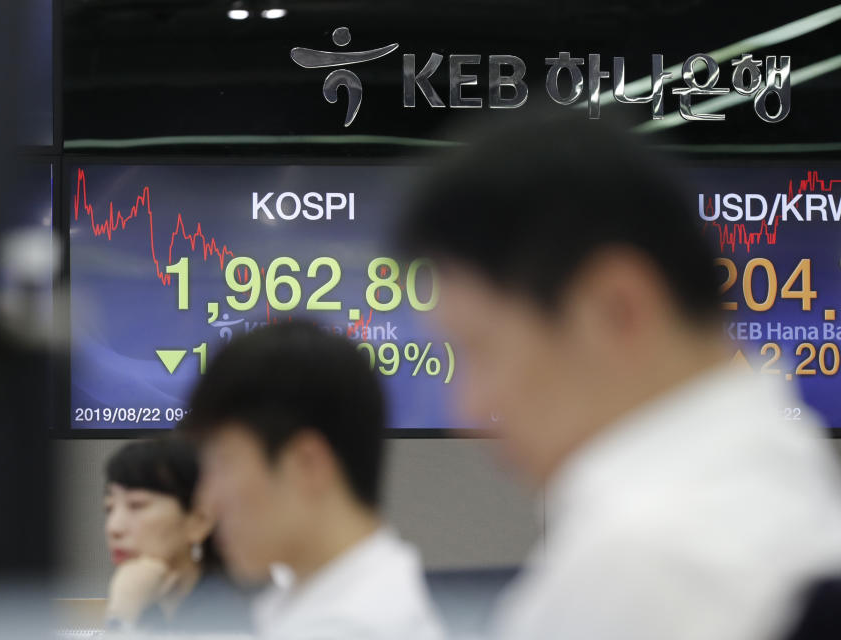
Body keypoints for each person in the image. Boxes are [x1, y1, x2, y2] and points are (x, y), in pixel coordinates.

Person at [397, 111, 841, 640]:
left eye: (482, 350)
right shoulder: (785, 491)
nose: (468, 409)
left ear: (617, 309)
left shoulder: (648, 561)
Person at [183, 321, 445, 640]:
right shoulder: (330, 603)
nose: (206, 502)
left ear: (307, 464)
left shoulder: (349, 628)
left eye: (223, 464)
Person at [102, 437, 218, 632]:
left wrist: (121, 618)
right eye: (109, 508)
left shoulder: (233, 612)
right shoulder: (145, 605)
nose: (113, 528)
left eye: (136, 505)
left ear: (198, 522)